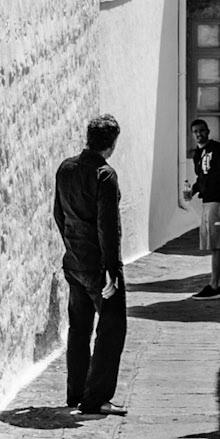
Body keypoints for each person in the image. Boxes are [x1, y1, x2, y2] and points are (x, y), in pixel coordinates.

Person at [53, 113, 126, 415]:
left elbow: (59, 214)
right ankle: (95, 398)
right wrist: (112, 269)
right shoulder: (104, 174)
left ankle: (76, 392)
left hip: (73, 261)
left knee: (79, 329)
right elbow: (106, 226)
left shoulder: (66, 168)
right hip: (98, 266)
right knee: (112, 328)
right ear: (111, 143)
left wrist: (71, 246)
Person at [184, 118, 220, 298]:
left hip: (217, 201)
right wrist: (193, 191)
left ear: (208, 131)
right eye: (195, 132)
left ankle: (215, 285)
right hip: (207, 202)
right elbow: (202, 179)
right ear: (192, 134)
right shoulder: (198, 155)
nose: (199, 134)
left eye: (202, 131)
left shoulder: (218, 150)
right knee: (214, 246)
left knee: (216, 246)